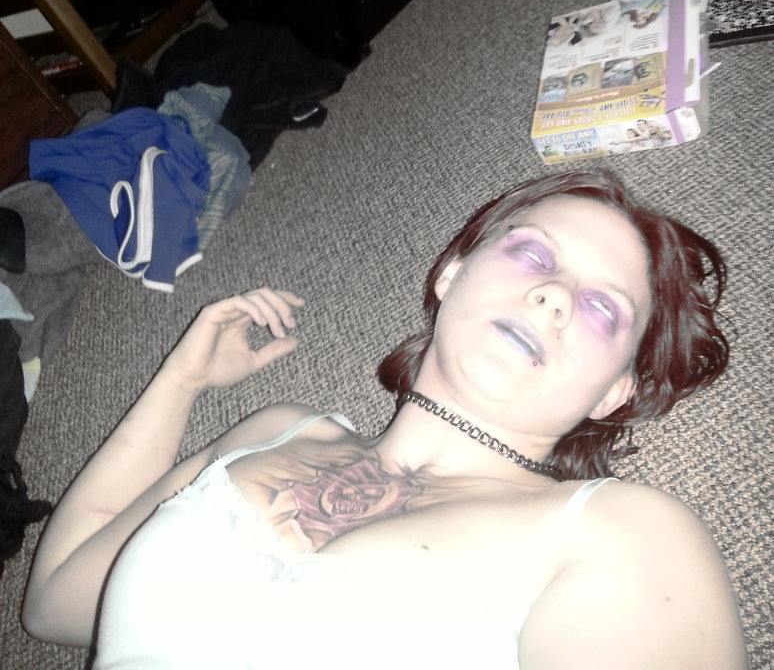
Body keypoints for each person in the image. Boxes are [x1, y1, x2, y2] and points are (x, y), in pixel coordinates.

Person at [21, 169, 748, 669]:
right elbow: (52, 602)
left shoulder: (620, 531)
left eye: (600, 307)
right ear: (452, 275)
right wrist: (179, 381)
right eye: (533, 255)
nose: (555, 295)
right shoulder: (275, 430)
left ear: (612, 393)